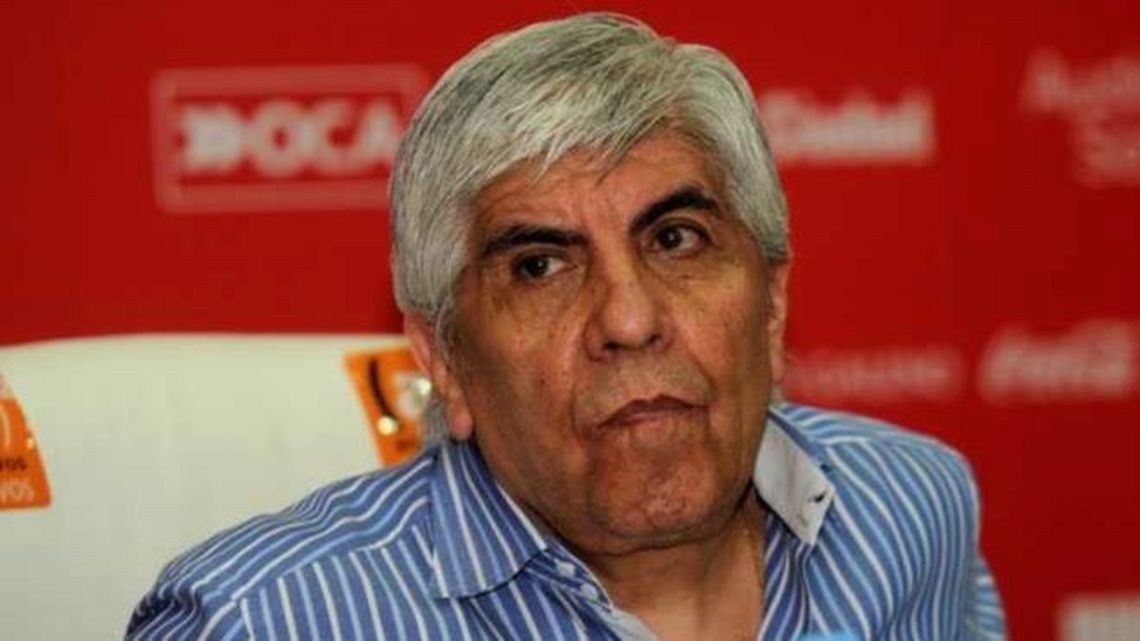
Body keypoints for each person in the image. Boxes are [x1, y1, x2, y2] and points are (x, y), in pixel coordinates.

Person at [127, 13, 1005, 641]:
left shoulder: (911, 508)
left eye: (676, 238)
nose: (629, 318)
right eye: (541, 265)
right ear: (446, 360)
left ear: (772, 305)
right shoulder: (261, 620)